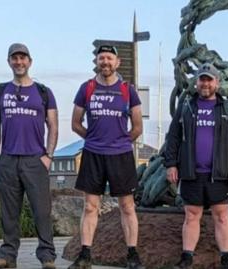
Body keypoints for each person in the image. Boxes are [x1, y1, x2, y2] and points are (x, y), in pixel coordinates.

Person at [164, 63, 228, 269]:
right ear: (197, 82)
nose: (205, 83)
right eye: (202, 79)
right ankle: (187, 257)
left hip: (219, 175)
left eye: (209, 79)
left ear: (217, 82)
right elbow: (173, 138)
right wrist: (171, 165)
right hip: (192, 174)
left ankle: (226, 257)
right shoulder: (186, 107)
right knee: (191, 216)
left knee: (221, 216)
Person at [69, 45, 144, 269]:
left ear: (117, 62)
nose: (105, 62)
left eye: (109, 58)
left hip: (120, 155)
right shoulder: (87, 88)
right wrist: (92, 138)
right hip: (93, 154)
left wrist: (119, 141)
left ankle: (132, 254)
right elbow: (75, 123)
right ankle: (85, 255)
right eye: (101, 58)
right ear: (97, 62)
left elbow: (138, 127)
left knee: (127, 206)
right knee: (90, 206)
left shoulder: (127, 90)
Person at [0, 43, 59, 269]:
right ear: (9, 61)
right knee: (9, 212)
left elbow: (53, 125)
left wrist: (48, 155)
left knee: (42, 212)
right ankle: (8, 257)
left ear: (30, 61)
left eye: (23, 58)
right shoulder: (0, 91)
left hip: (35, 160)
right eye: (14, 58)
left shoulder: (43, 92)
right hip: (8, 159)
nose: (19, 62)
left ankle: (47, 257)